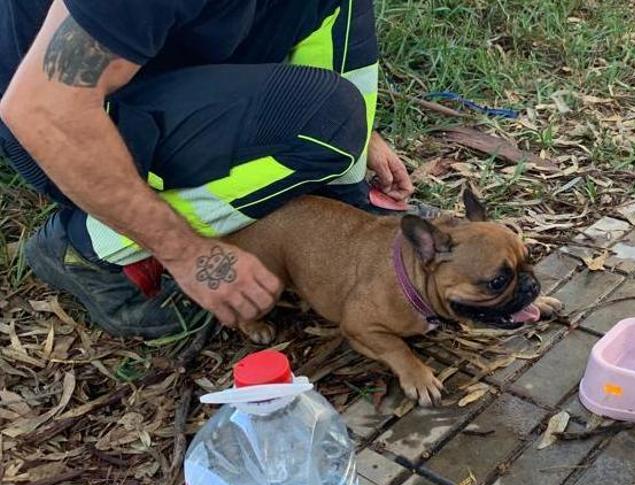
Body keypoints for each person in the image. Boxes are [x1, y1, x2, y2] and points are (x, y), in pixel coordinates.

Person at [0, 0, 414, 338]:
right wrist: (187, 253)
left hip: (171, 50)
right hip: (69, 122)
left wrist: (360, 138)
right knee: (327, 117)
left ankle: (341, 193)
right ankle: (87, 248)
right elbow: (42, 111)